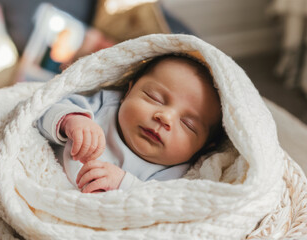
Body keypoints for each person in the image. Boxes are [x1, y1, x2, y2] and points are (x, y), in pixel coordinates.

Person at [37, 53, 224, 193]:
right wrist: (71, 120)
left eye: (188, 124)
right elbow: (43, 110)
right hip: (43, 182)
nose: (165, 117)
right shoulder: (105, 105)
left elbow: (157, 206)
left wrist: (123, 184)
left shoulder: (175, 172)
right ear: (129, 91)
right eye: (154, 98)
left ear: (205, 147)